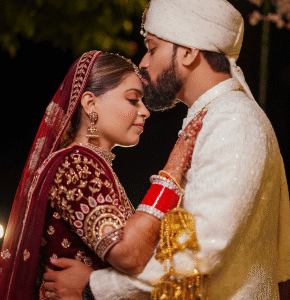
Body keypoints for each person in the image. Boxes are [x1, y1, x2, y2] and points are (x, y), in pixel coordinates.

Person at [42, 0, 290, 299]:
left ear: (188, 51)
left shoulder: (232, 119)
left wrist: (95, 288)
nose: (144, 62)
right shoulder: (215, 118)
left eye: (153, 47)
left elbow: (200, 251)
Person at [0, 50, 201, 300]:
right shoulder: (76, 165)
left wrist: (91, 283)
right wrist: (174, 169)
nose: (145, 111)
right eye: (132, 99)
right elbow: (129, 256)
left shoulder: (92, 166)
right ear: (91, 104)